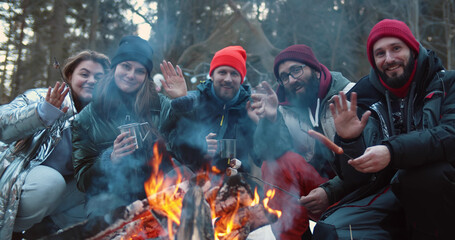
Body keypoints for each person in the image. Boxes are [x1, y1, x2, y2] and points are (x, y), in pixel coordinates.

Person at [315, 19, 455, 239]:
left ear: (413, 49)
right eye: (380, 53)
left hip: (443, 191)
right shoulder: (365, 98)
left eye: (396, 48)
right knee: (331, 230)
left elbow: (450, 135)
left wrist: (392, 152)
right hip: (389, 191)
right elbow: (356, 178)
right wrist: (350, 141)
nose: (389, 59)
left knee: (422, 180)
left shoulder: (447, 83)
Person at [72, 35, 187, 218]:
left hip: (158, 189)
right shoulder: (88, 117)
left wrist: (182, 102)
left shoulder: (160, 105)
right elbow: (83, 179)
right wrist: (110, 158)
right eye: (126, 66)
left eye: (140, 71)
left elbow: (188, 149)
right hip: (109, 195)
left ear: (145, 76)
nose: (131, 75)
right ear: (114, 67)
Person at [0, 50, 110, 239]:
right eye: (84, 74)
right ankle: (13, 232)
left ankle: (41, 233)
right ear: (69, 75)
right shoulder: (43, 97)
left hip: (57, 199)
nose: (92, 80)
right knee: (51, 182)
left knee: (103, 188)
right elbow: (2, 124)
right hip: (20, 184)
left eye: (99, 77)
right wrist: (41, 113)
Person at [249, 44, 354, 239]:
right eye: (284, 76)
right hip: (315, 193)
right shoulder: (285, 109)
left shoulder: (349, 95)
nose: (291, 80)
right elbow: (263, 156)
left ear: (314, 68)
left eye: (296, 70)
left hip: (355, 190)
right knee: (277, 163)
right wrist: (270, 121)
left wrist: (330, 192)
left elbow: (365, 162)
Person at [166, 46, 259, 177]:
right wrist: (198, 147)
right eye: (222, 72)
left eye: (234, 74)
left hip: (235, 182)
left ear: (241, 79)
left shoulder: (250, 107)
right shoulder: (194, 101)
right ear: (212, 75)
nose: (228, 79)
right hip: (196, 178)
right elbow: (173, 147)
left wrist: (262, 124)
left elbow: (261, 158)